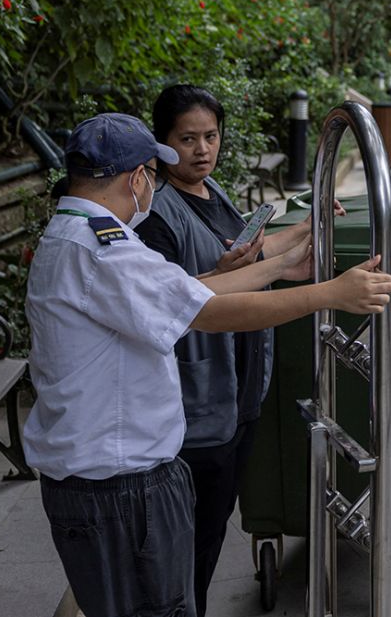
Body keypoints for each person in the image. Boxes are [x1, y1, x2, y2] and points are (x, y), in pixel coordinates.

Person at [23, 112, 391, 617]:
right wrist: (330, 294)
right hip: (120, 487)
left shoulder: (74, 235)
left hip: (99, 478)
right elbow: (210, 314)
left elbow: (185, 291)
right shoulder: (104, 251)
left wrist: (281, 266)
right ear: (136, 179)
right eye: (151, 174)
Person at [133, 85, 321, 615]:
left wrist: (305, 230)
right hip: (195, 402)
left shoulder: (210, 190)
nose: (202, 150)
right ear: (162, 143)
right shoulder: (157, 215)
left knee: (213, 528)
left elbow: (246, 255)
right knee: (190, 538)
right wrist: (231, 271)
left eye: (211, 137)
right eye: (187, 139)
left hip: (238, 392)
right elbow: (171, 300)